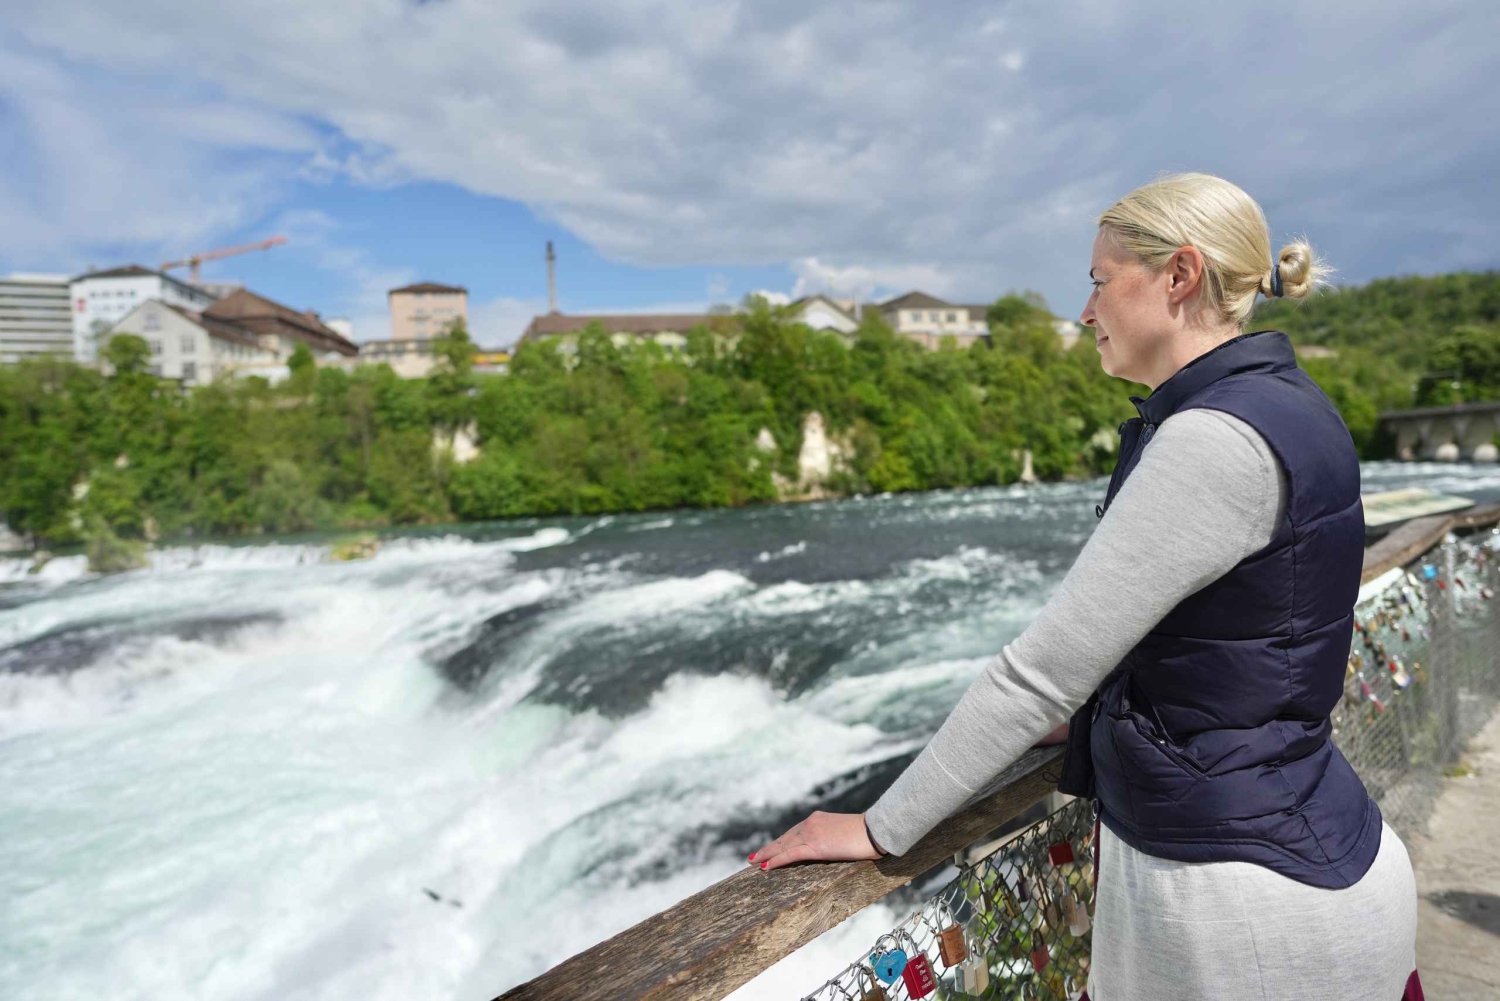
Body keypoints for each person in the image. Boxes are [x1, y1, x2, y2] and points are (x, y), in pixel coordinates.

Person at [747, 173, 1421, 1000]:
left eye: (1100, 281)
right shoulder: (1294, 407)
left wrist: (877, 827)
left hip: (1236, 913)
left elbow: (1037, 672)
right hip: (1318, 859)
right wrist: (1095, 713)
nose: (1085, 310)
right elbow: (1247, 631)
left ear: (1177, 275)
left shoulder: (1211, 441)